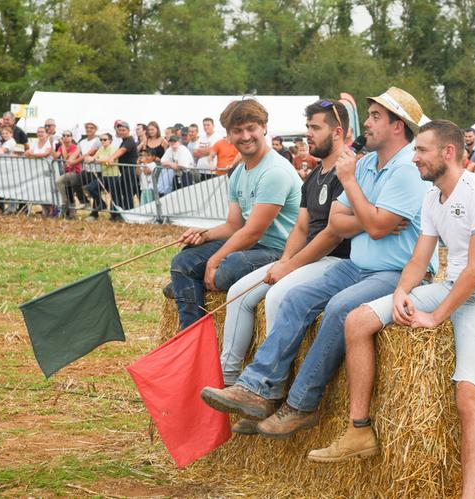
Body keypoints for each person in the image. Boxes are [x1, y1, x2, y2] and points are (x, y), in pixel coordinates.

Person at [199, 87, 436, 440]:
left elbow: (375, 225)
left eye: (375, 117)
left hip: (396, 272)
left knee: (340, 309)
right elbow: (339, 223)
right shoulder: (368, 163)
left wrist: (353, 187)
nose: (366, 124)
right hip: (358, 264)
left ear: (398, 126)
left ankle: (300, 405)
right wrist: (369, 214)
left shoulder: (404, 170)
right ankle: (258, 388)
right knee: (293, 297)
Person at [307, 120, 475, 499]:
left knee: (468, 396)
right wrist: (404, 291)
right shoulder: (431, 195)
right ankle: (359, 429)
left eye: (421, 150)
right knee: (358, 320)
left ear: (447, 153)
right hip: (453, 286)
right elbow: (420, 260)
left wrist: (436, 317)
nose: (415, 157)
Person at [217, 99, 352, 405]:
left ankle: (267, 389)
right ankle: (230, 380)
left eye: (315, 128)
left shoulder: (347, 172)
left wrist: (290, 266)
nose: (308, 135)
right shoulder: (315, 174)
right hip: (309, 257)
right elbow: (301, 229)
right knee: (237, 294)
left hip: (336, 260)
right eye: (308, 127)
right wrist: (286, 260)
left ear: (336, 132)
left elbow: (332, 235)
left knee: (278, 295)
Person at [167, 99, 302, 329]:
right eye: (237, 131)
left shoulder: (275, 171)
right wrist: (205, 234)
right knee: (183, 260)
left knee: (229, 265)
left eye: (252, 128)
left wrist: (213, 260)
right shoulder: (239, 172)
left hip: (279, 251)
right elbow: (234, 225)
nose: (246, 136)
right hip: (255, 245)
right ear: (228, 135)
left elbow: (252, 231)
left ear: (264, 128)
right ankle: (192, 336)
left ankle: (184, 287)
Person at [105, 121, 139, 211]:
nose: (121, 132)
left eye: (123, 130)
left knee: (127, 192)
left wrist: (111, 158)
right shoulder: (124, 140)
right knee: (121, 190)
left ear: (128, 130)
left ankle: (129, 211)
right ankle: (120, 211)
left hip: (129, 170)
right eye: (120, 130)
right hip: (124, 170)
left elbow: (122, 151)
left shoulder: (130, 141)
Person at [54, 130, 82, 219]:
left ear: (71, 137)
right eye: (64, 135)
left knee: (59, 182)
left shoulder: (74, 147)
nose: (65, 137)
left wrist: (62, 144)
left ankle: (65, 203)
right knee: (68, 190)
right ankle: (70, 213)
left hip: (75, 172)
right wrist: (51, 144)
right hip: (67, 172)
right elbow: (55, 156)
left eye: (68, 135)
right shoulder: (60, 147)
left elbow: (66, 158)